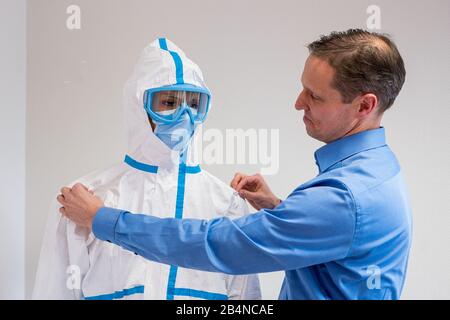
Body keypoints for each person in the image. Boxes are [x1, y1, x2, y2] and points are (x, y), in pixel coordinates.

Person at [58, 29, 412, 300]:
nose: (297, 103)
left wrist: (101, 219)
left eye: (315, 96)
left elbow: (220, 246)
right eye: (166, 102)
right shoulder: (373, 173)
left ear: (365, 106)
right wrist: (281, 211)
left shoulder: (343, 196)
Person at [33, 38, 261, 300]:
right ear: (138, 105)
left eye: (194, 104)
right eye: (169, 102)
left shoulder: (226, 203)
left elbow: (245, 298)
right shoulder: (84, 199)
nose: (184, 116)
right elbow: (55, 292)